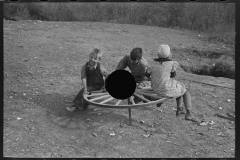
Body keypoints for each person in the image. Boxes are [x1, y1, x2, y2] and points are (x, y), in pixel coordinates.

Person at [145, 44, 197, 121]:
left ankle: (180, 108)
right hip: (165, 87)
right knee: (185, 90)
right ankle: (188, 113)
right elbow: (173, 75)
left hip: (155, 87)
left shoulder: (153, 63)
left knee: (178, 88)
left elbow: (147, 74)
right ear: (169, 54)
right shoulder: (171, 63)